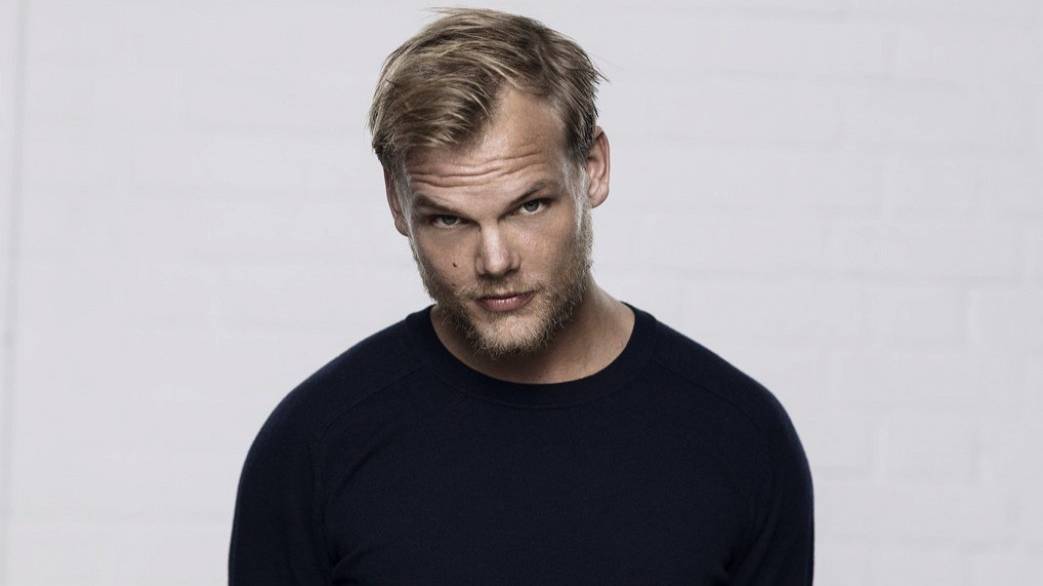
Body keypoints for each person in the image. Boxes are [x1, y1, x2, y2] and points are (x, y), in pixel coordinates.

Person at [228, 8, 814, 585]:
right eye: (448, 220)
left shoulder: (741, 437)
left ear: (592, 168)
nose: (495, 261)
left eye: (529, 206)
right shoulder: (315, 444)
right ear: (397, 203)